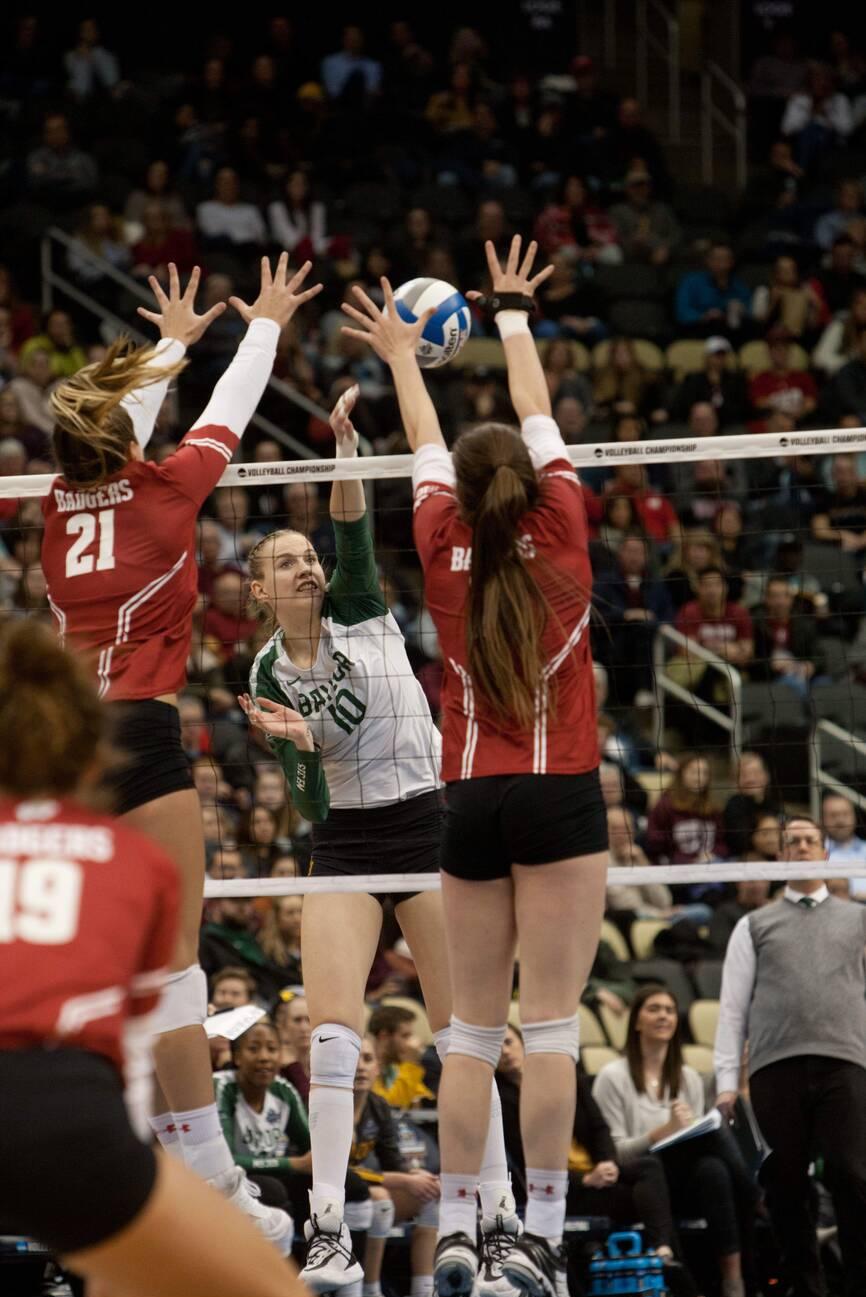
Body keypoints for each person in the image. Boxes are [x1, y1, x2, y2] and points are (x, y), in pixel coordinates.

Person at [342, 235, 608, 1297]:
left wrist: (403, 355)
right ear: (530, 482)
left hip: (468, 800)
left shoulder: (438, 531)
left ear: (458, 486)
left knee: (466, 1032)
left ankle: (458, 1229)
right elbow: (536, 420)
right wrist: (509, 314)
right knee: (545, 1029)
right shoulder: (566, 528)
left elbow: (423, 436)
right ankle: (533, 1237)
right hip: (557, 795)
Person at [39, 255, 321, 1253]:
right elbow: (230, 415)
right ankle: (207, 1174)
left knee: (98, 966)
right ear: (122, 440)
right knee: (173, 968)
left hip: (66, 748)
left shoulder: (51, 515)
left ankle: (157, 1168)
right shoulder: (163, 496)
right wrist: (266, 324)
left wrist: (166, 349)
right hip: (143, 733)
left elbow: (113, 439)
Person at [240, 383, 512, 1294]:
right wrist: (299, 744)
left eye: (308, 555)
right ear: (260, 590)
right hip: (350, 842)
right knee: (330, 1034)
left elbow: (352, 529)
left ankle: (496, 1211)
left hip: (429, 822)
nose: (307, 567)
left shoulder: (356, 600)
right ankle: (325, 1228)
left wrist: (346, 447)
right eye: (286, 562)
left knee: (461, 1032)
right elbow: (312, 798)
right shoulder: (267, 670)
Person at [0, 619, 304, 1297]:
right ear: (90, 752)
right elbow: (143, 1033)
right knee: (248, 1275)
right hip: (63, 1112)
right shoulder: (137, 860)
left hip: (63, 1104)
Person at [715, 816, 866, 1297]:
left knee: (851, 1172)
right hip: (774, 1066)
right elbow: (732, 1006)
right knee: (783, 1183)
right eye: (791, 842)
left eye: (809, 840)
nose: (801, 846)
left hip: (844, 1060)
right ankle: (805, 1286)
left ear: (824, 852)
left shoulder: (859, 917)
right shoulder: (753, 923)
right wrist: (724, 1080)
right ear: (780, 856)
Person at [496, 1026, 696, 1288]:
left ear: (523, 1043)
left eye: (509, 1042)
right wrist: (585, 1179)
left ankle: (663, 1253)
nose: (505, 1051)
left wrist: (607, 1163)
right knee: (652, 1203)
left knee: (649, 1168)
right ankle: (672, 1270)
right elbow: (524, 1162)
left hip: (598, 1172)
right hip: (562, 1189)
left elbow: (599, 1127)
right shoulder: (500, 1099)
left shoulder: (564, 1077)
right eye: (496, 1047)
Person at [594, 985, 755, 1297]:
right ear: (636, 1022)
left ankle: (732, 1282)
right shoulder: (613, 1076)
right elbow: (612, 1153)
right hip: (641, 1182)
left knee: (713, 1170)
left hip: (684, 1182)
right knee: (718, 1150)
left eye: (669, 1010)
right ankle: (757, 1196)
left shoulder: (688, 1078)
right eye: (653, 1009)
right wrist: (662, 1131)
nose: (663, 1016)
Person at [353, 1035, 441, 1297]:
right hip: (326, 1192)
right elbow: (336, 1171)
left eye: (367, 1059)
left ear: (377, 1068)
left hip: (365, 1188)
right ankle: (370, 1289)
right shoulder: (325, 1103)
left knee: (430, 1194)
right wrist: (403, 1181)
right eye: (353, 1059)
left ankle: (424, 1290)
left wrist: (421, 1177)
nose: (359, 1067)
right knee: (381, 1200)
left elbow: (394, 1163)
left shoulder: (378, 1106)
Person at [822, 792, 866, 897]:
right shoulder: (816, 852)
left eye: (845, 814)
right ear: (823, 818)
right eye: (833, 815)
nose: (840, 820)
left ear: (854, 816)